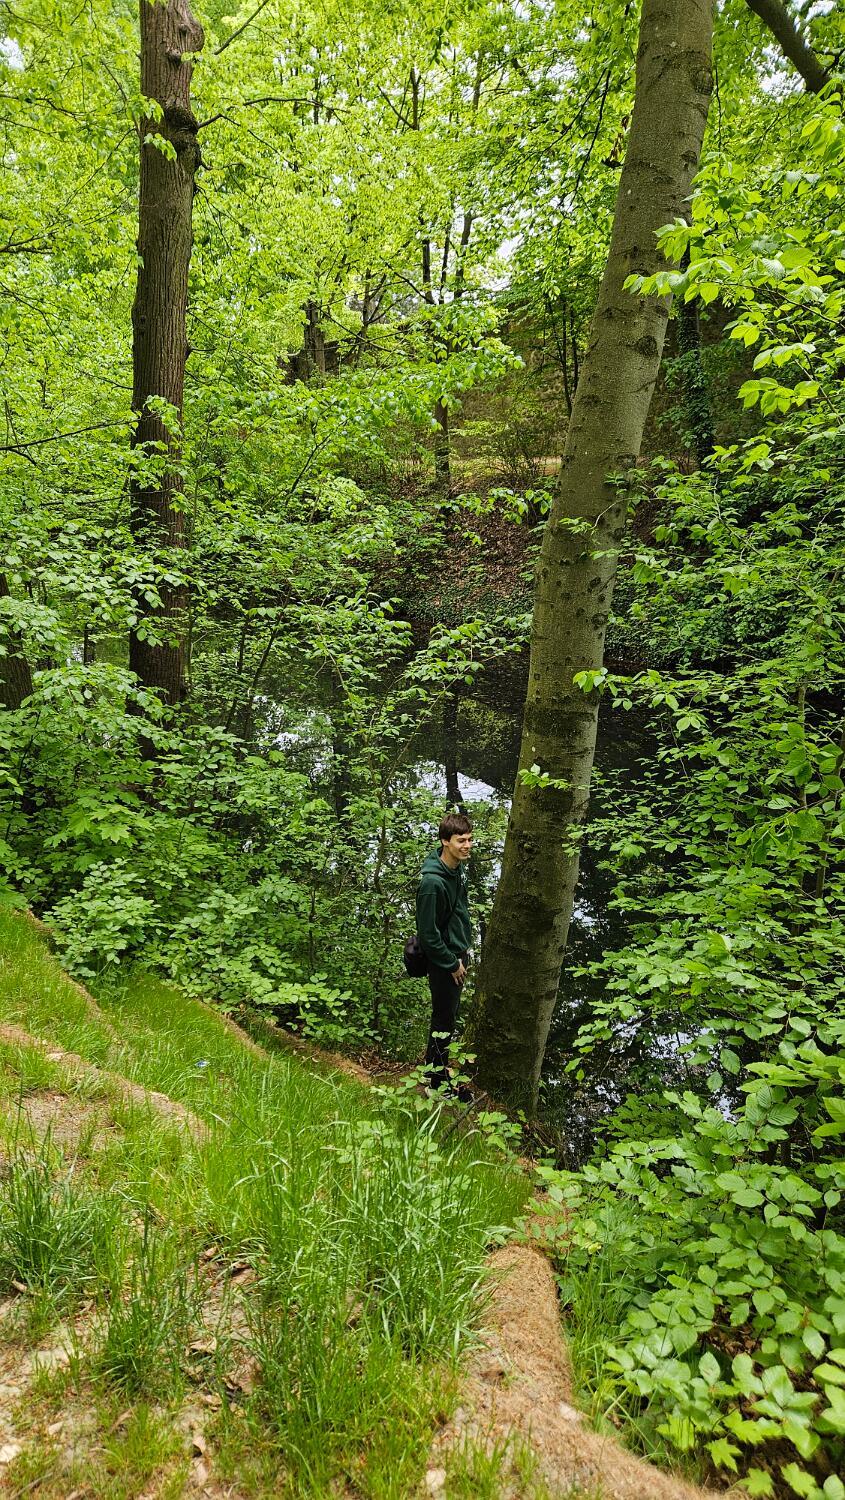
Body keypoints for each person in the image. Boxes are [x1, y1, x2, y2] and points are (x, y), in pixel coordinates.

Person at [416, 811, 473, 1095]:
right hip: (445, 961)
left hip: (457, 953)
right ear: (444, 841)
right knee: (443, 1019)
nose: (467, 845)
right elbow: (428, 935)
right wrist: (452, 963)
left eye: (470, 839)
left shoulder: (456, 870)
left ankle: (434, 1070)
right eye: (460, 840)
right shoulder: (432, 884)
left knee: (448, 1016)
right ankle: (435, 1083)